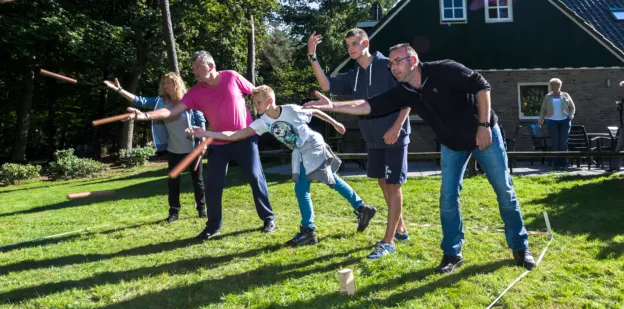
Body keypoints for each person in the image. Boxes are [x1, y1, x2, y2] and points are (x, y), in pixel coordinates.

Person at [304, 43, 536, 272]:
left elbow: (482, 86)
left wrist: (484, 125)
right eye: (390, 64)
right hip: (452, 144)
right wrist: (332, 106)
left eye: (397, 62)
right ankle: (452, 253)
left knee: (504, 190)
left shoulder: (444, 69)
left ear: (412, 61)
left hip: (483, 134)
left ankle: (520, 247)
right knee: (447, 198)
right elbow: (367, 105)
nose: (392, 67)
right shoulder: (404, 91)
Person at [187, 85, 377, 247]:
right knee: (329, 180)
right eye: (254, 102)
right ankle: (361, 208)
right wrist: (206, 132)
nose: (255, 106)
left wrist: (335, 123)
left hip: (312, 146)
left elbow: (316, 111)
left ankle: (309, 231)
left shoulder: (291, 110)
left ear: (270, 100)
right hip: (301, 151)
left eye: (258, 102)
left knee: (302, 188)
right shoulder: (263, 122)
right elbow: (235, 135)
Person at [126, 51, 275, 241]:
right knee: (212, 185)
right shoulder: (196, 92)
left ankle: (268, 218)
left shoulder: (231, 77)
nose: (194, 71)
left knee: (255, 177)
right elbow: (173, 111)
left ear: (210, 66)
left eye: (198, 67)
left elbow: (257, 93)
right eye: (193, 68)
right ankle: (213, 227)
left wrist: (269, 115)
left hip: (245, 138)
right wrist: (144, 116)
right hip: (218, 142)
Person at [307, 29, 411, 259]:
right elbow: (327, 86)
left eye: (354, 44)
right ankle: (401, 229)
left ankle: (389, 241)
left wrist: (396, 127)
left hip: (395, 135)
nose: (351, 49)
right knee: (383, 183)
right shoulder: (353, 75)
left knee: (394, 186)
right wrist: (312, 56)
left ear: (366, 43)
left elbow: (408, 96)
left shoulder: (387, 65)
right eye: (348, 46)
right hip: (373, 138)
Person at [105, 73, 207, 223]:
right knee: (173, 183)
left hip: (193, 149)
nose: (165, 85)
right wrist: (120, 90)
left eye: (168, 82)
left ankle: (201, 209)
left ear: (176, 84)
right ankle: (174, 212)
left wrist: (203, 141)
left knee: (197, 181)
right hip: (174, 150)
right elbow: (141, 101)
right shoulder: (160, 102)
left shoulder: (188, 99)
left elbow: (200, 120)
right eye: (163, 83)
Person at [537, 78, 576, 170]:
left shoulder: (566, 95)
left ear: (559, 86)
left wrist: (570, 115)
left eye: (556, 85)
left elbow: (572, 107)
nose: (554, 87)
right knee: (555, 142)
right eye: (552, 85)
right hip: (552, 121)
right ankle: (556, 164)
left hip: (564, 121)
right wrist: (540, 121)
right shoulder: (547, 97)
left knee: (563, 142)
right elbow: (543, 109)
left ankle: (564, 163)